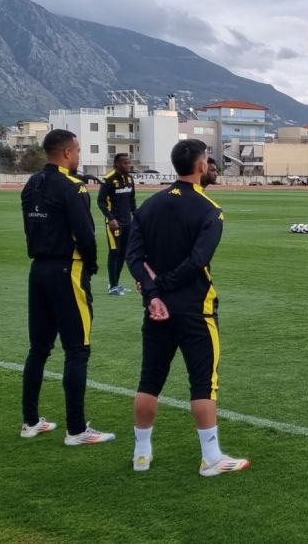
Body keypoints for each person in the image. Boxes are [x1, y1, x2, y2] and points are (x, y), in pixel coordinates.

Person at [126, 139, 249, 476]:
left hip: (156, 308)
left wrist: (153, 293)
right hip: (195, 307)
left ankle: (141, 455)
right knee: (203, 383)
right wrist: (163, 285)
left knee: (149, 380)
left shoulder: (149, 205)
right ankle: (211, 458)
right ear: (200, 165)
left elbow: (133, 257)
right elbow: (198, 261)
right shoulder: (210, 210)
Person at [20, 129, 115, 445]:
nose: (78, 156)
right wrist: (91, 264)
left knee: (38, 349)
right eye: (77, 151)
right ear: (66, 153)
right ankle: (76, 430)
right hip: (67, 270)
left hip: (38, 269)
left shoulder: (32, 183)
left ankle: (30, 421)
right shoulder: (73, 186)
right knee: (77, 349)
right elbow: (85, 234)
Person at [97, 153, 137, 295]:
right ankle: (112, 286)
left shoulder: (130, 179)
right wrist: (111, 218)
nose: (128, 165)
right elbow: (101, 201)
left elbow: (132, 200)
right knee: (114, 252)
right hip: (114, 224)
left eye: (129, 162)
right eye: (125, 163)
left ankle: (116, 284)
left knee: (123, 253)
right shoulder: (108, 179)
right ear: (117, 164)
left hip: (127, 223)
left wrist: (136, 216)